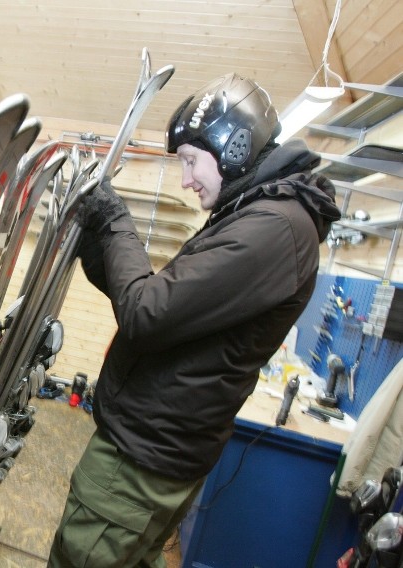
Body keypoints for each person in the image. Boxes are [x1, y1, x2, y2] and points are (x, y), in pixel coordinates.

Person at [48, 72, 342, 567]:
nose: (185, 179)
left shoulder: (271, 228)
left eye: (189, 160)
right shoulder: (260, 215)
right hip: (157, 454)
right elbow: (170, 306)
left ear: (232, 146)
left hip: (140, 464)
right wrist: (100, 251)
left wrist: (116, 221)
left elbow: (147, 313)